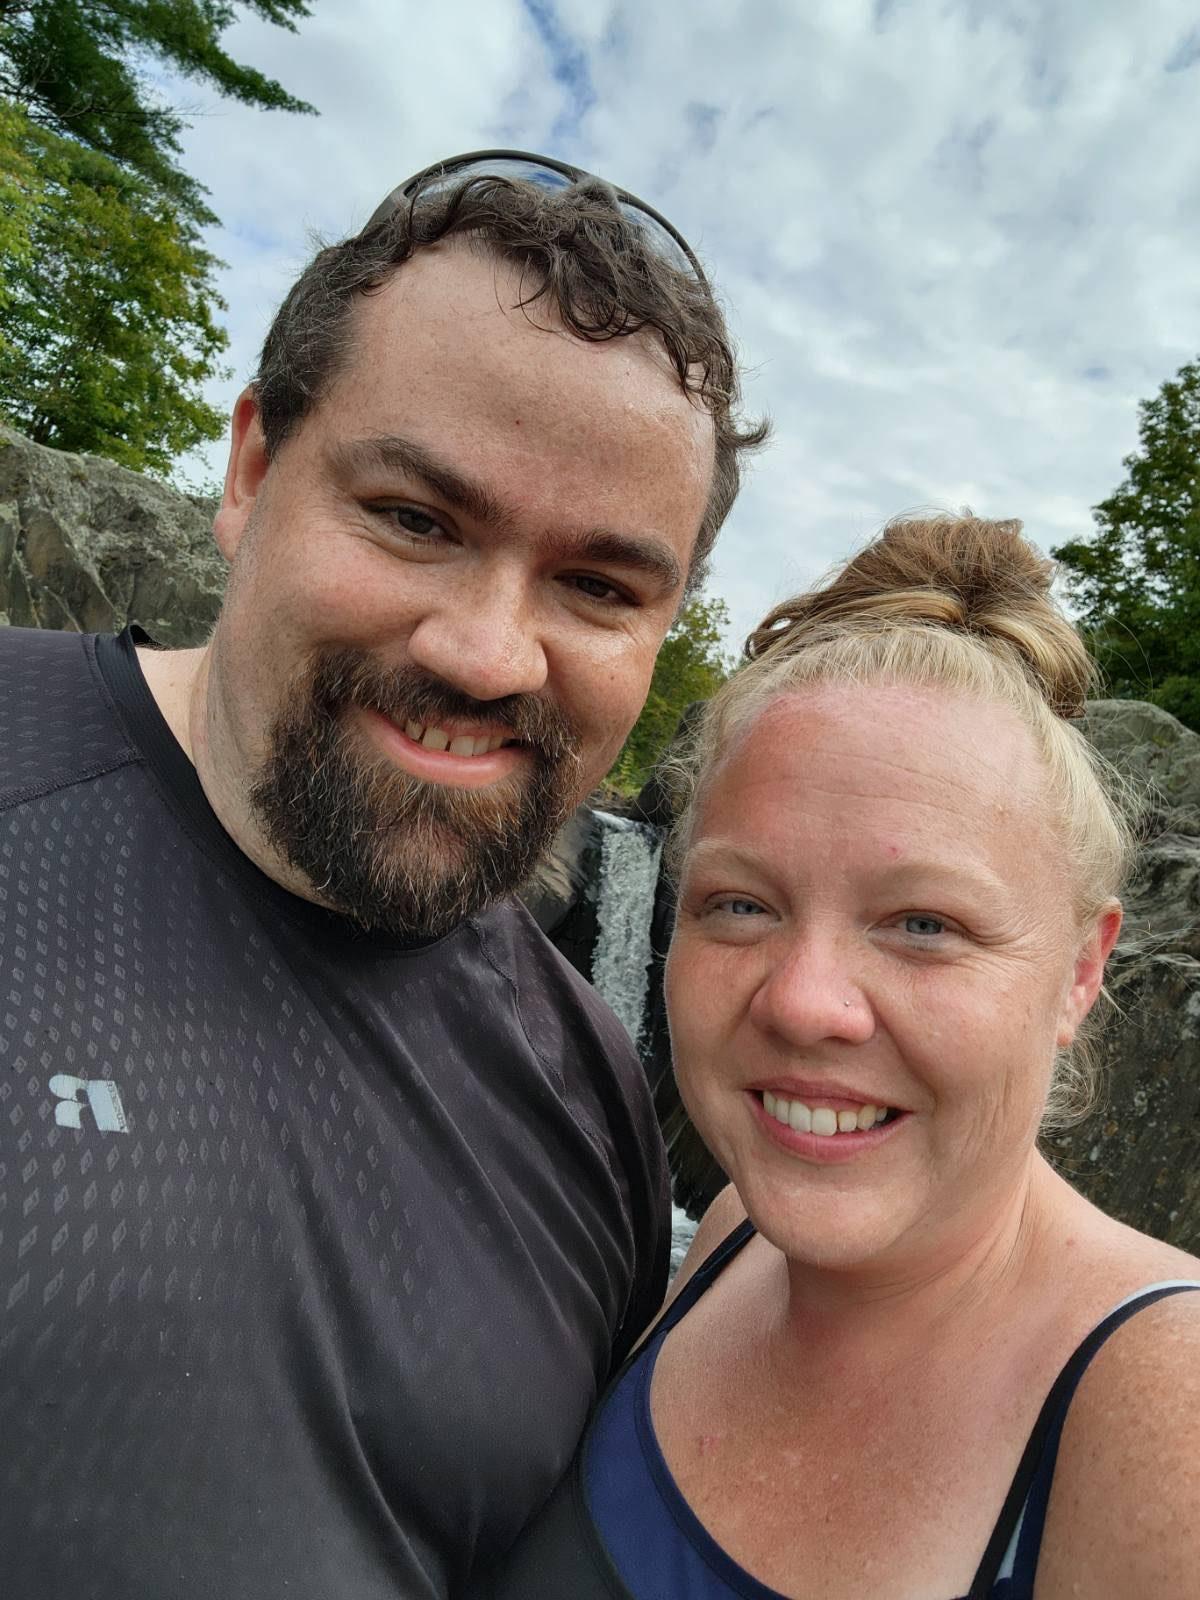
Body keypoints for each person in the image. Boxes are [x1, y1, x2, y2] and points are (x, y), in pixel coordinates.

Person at [0, 151, 765, 1600]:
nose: (487, 654)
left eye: (600, 586)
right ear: (252, 470)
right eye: (415, 518)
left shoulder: (594, 1091)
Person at [479, 515, 1200, 1600]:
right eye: (741, 904)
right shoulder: (730, 1239)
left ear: (1081, 970)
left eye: (924, 924)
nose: (804, 1002)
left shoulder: (1164, 1412)